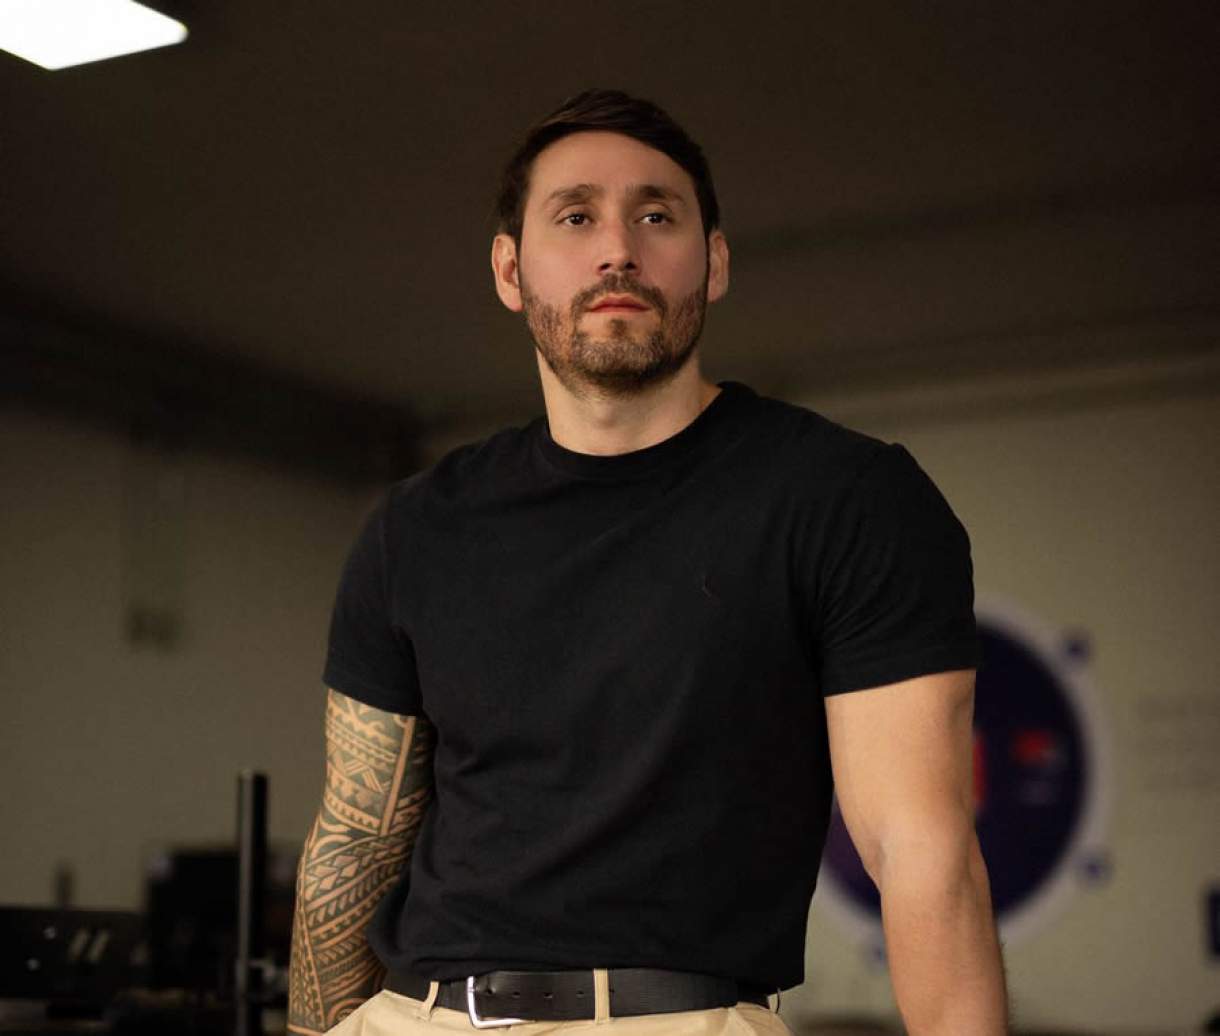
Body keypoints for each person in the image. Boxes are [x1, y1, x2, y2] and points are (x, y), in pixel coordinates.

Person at [287, 89, 1009, 1036]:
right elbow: (354, 846)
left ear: (715, 262)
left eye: (657, 216)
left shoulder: (848, 497)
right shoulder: (416, 527)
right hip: (416, 1017)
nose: (618, 249)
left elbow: (922, 849)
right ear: (509, 270)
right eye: (575, 216)